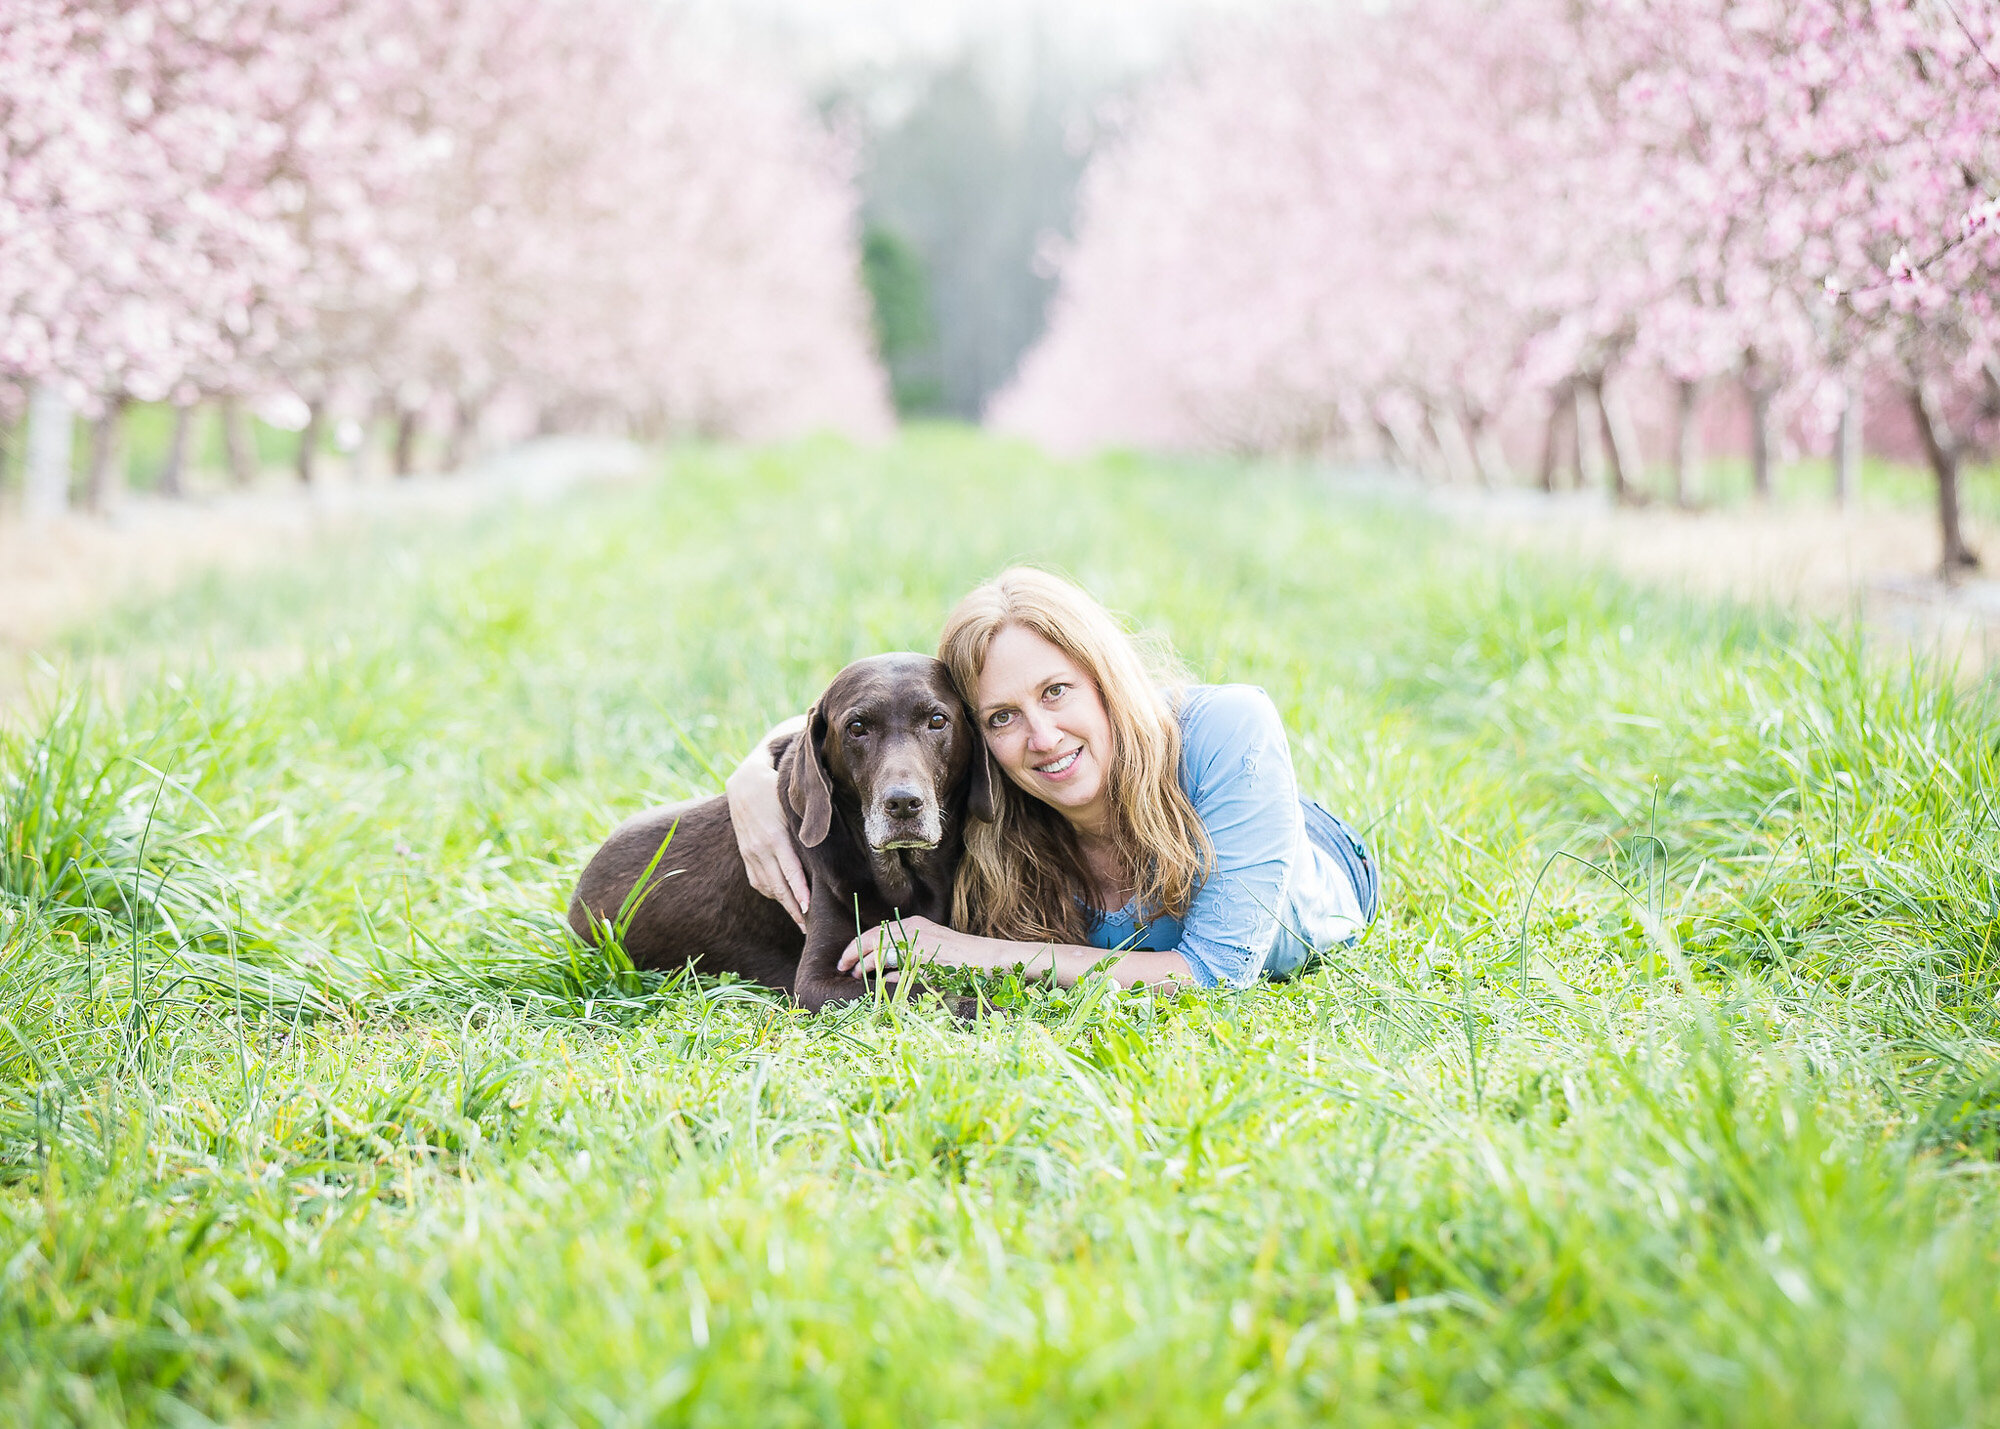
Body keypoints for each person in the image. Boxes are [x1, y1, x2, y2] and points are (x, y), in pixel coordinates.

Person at [724, 567, 1378, 991]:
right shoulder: (999, 773)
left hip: (1302, 853)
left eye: (1057, 690)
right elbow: (876, 717)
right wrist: (755, 773)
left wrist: (954, 948)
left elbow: (1214, 975)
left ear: (1106, 677)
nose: (1042, 736)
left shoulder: (1231, 724)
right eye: (1003, 715)